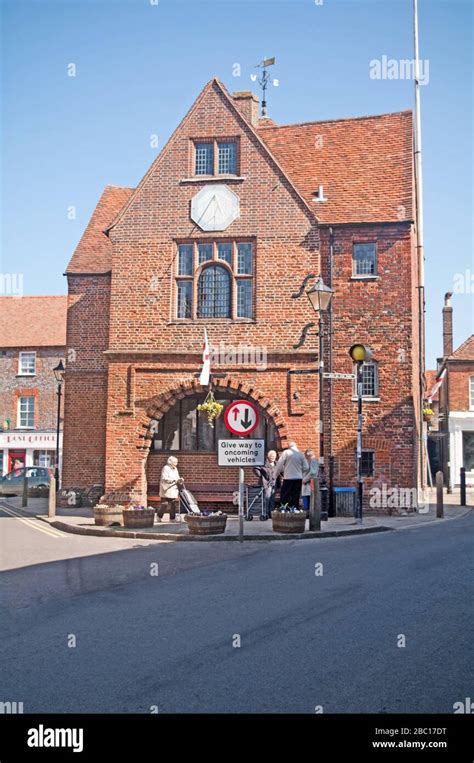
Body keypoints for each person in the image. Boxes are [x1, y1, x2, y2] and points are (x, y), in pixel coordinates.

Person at [273, 442, 309, 509]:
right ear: (296, 446)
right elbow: (306, 467)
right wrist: (300, 471)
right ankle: (295, 510)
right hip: (298, 478)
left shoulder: (286, 452)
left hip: (288, 478)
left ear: (289, 446)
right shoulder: (301, 454)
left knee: (285, 495)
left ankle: (284, 510)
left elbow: (279, 465)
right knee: (295, 496)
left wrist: (274, 476)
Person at [254, 449, 280, 519]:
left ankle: (270, 513)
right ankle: (265, 513)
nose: (273, 458)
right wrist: (261, 476)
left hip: (274, 483)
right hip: (266, 483)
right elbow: (255, 468)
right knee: (266, 499)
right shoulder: (264, 463)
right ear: (268, 457)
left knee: (272, 499)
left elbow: (281, 470)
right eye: (272, 456)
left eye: (274, 456)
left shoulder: (276, 463)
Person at [157, 456, 182, 521]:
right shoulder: (166, 468)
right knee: (165, 504)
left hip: (173, 488)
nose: (176, 463)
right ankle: (159, 516)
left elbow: (177, 477)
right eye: (175, 462)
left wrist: (180, 480)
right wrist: (173, 480)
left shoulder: (175, 469)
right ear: (170, 462)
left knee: (173, 504)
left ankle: (172, 518)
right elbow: (164, 478)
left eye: (176, 462)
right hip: (166, 489)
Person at [301, 449, 319, 514]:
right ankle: (307, 513)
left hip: (308, 484)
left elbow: (313, 473)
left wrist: (304, 480)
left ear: (308, 455)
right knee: (306, 500)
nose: (305, 457)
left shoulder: (313, 461)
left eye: (305, 456)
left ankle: (308, 514)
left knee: (308, 501)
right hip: (307, 485)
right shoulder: (310, 461)